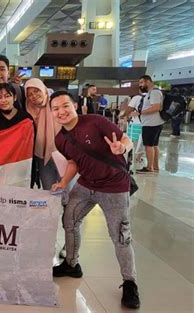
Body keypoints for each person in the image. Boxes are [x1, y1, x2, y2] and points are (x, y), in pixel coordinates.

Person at [49, 90, 140, 310]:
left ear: (75, 106)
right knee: (69, 220)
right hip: (87, 184)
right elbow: (73, 162)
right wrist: (63, 182)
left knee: (120, 236)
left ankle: (130, 282)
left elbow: (124, 140)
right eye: (55, 108)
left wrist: (122, 148)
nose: (61, 111)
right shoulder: (60, 138)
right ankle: (71, 264)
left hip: (115, 187)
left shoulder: (95, 122)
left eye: (65, 106)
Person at [24, 78, 60, 190]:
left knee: (66, 190)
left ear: (43, 89)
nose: (33, 96)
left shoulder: (56, 103)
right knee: (48, 190)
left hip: (62, 152)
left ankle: (66, 207)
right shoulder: (27, 109)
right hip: (41, 155)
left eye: (36, 91)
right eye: (29, 94)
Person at [128, 75, 164, 173]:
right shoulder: (151, 93)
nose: (140, 85)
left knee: (149, 145)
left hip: (151, 123)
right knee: (154, 145)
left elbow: (156, 107)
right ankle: (155, 166)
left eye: (141, 83)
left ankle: (149, 167)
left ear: (148, 82)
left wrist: (139, 113)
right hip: (152, 123)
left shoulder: (154, 92)